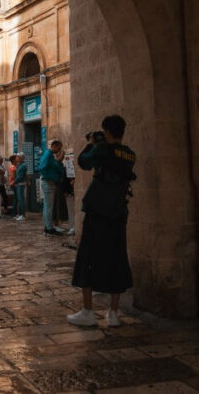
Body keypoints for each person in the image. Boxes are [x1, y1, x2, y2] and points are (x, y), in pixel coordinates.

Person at [68, 115, 136, 328]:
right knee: (117, 256)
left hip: (98, 209)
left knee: (88, 256)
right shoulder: (129, 154)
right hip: (118, 211)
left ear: (106, 131)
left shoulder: (101, 149)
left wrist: (91, 145)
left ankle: (88, 311)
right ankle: (113, 312)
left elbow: (83, 163)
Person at [37, 140, 65, 235]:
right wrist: (48, 178)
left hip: (49, 182)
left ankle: (47, 226)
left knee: (47, 206)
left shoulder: (50, 155)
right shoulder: (48, 154)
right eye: (59, 148)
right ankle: (49, 228)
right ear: (54, 146)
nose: (59, 150)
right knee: (49, 206)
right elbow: (42, 167)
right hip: (48, 183)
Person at [13, 154, 28, 221]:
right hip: (18, 184)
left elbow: (20, 176)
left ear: (21, 158)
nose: (16, 158)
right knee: (19, 199)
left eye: (17, 157)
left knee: (21, 199)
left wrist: (14, 182)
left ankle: (23, 215)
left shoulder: (23, 166)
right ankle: (20, 214)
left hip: (21, 184)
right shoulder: (19, 165)